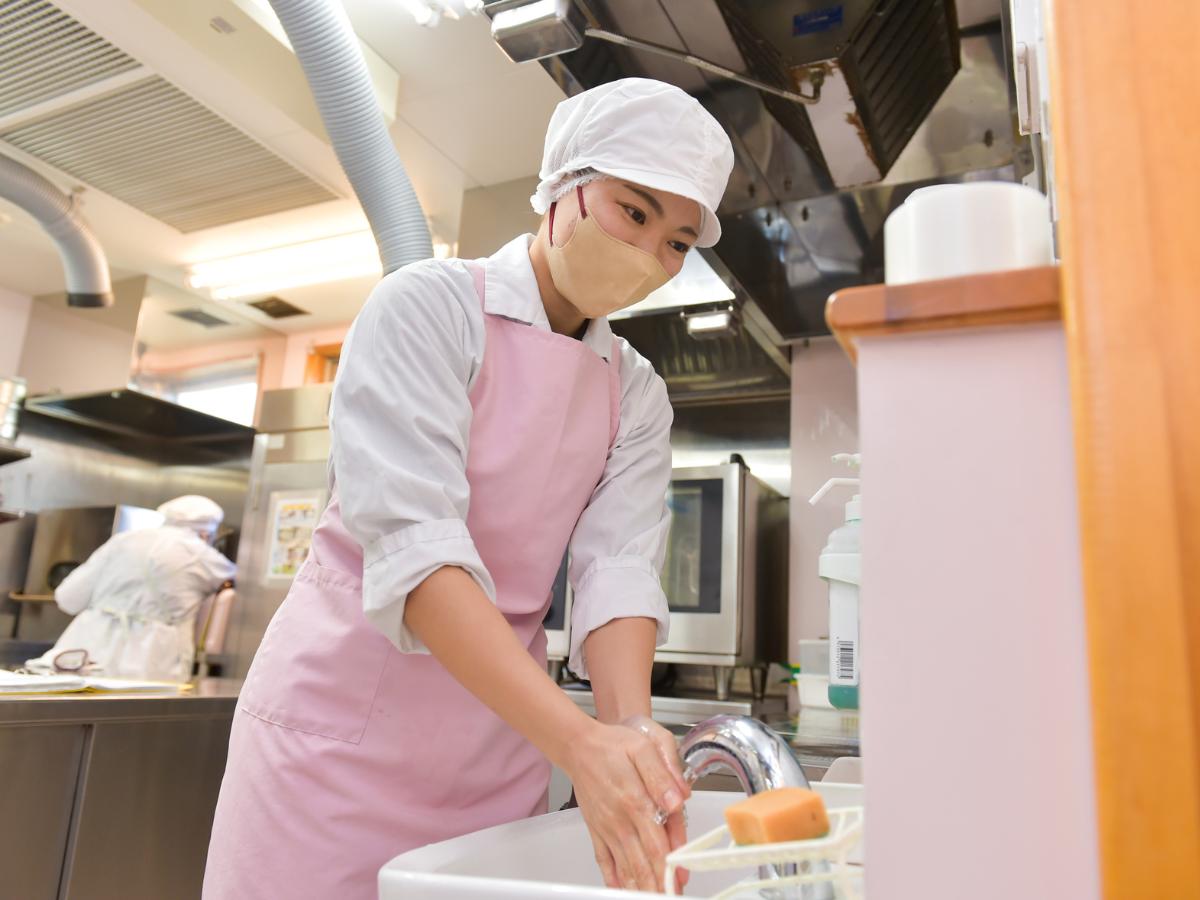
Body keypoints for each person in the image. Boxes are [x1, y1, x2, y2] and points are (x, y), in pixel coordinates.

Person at [203, 77, 734, 898]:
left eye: (676, 241)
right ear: (564, 186)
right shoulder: (427, 309)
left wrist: (626, 737)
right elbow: (417, 553)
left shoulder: (634, 392)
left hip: (499, 749)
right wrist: (578, 741)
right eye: (634, 211)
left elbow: (616, 573)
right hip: (338, 744)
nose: (648, 255)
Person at [27, 495, 236, 683]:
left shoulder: (123, 540)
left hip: (87, 649)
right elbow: (238, 588)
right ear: (206, 533)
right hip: (152, 660)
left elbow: (67, 598)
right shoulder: (203, 555)